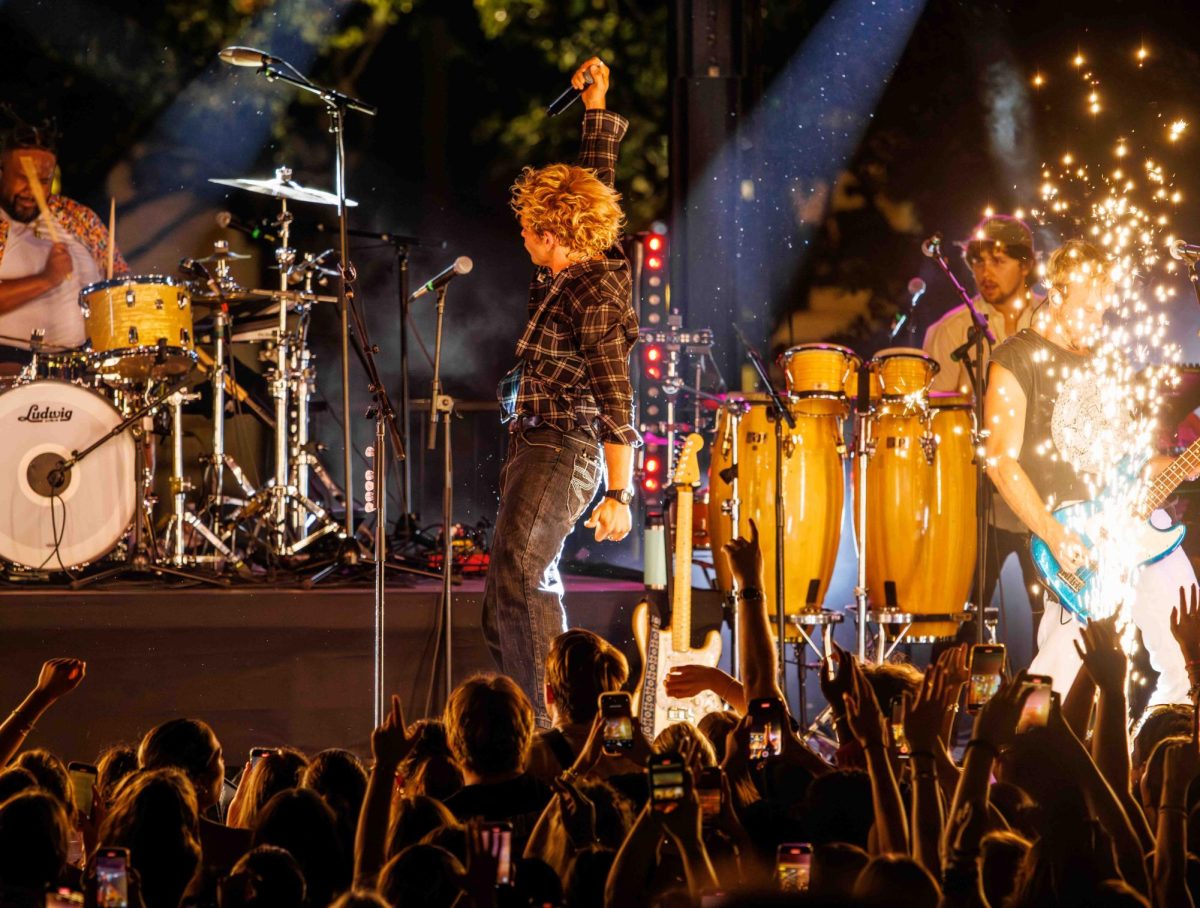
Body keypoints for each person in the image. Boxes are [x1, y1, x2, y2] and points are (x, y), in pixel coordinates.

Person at [483, 56, 640, 723]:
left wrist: (619, 492)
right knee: (507, 591)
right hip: (537, 443)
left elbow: (617, 400)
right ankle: (536, 711)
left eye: (527, 229)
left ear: (552, 237)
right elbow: (593, 187)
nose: (521, 236)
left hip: (566, 448)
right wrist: (596, 110)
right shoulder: (577, 262)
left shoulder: (594, 294)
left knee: (520, 576)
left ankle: (555, 728)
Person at [984, 238, 1196, 704]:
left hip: (1138, 526)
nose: (1098, 322)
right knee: (1059, 684)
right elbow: (999, 459)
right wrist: (1055, 536)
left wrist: (1178, 464)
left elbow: (1131, 458)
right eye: (1088, 310)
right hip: (1073, 539)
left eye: (1104, 311)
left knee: (1191, 651)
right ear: (1056, 295)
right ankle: (1024, 769)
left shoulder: (1107, 360)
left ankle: (1162, 759)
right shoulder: (1015, 358)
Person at [923, 214, 1045, 648]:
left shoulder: (1055, 322)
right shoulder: (951, 330)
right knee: (960, 621)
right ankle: (945, 710)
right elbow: (934, 419)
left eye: (998, 260)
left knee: (1051, 621)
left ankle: (1046, 711)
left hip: (1042, 492)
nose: (985, 272)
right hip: (976, 497)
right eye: (977, 262)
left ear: (1026, 264)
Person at [0, 113, 127, 369]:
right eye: (24, 178)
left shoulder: (78, 218)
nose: (32, 190)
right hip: (9, 366)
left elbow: (121, 278)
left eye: (43, 181)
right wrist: (47, 278)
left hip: (82, 366)